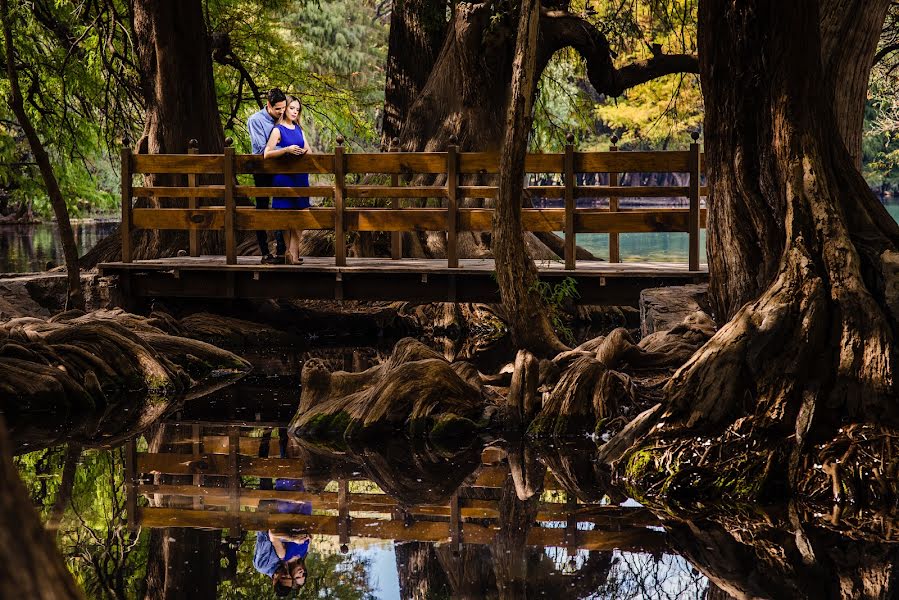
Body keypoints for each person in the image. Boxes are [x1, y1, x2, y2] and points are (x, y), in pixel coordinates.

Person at [264, 95, 311, 265]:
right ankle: (292, 255)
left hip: (300, 178)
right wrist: (286, 150)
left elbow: (309, 151)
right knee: (286, 217)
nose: (294, 112)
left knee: (302, 216)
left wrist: (302, 152)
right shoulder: (278, 130)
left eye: (297, 109)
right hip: (284, 178)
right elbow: (267, 153)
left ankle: (291, 252)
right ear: (285, 109)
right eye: (292, 108)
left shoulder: (299, 129)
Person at [247, 88, 288, 264]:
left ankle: (281, 250)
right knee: (262, 208)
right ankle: (264, 252)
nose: (281, 112)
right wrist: (283, 149)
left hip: (282, 170)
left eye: (283, 108)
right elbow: (260, 149)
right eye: (278, 109)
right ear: (268, 105)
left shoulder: (285, 118)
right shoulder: (256, 120)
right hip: (262, 171)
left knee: (282, 207)